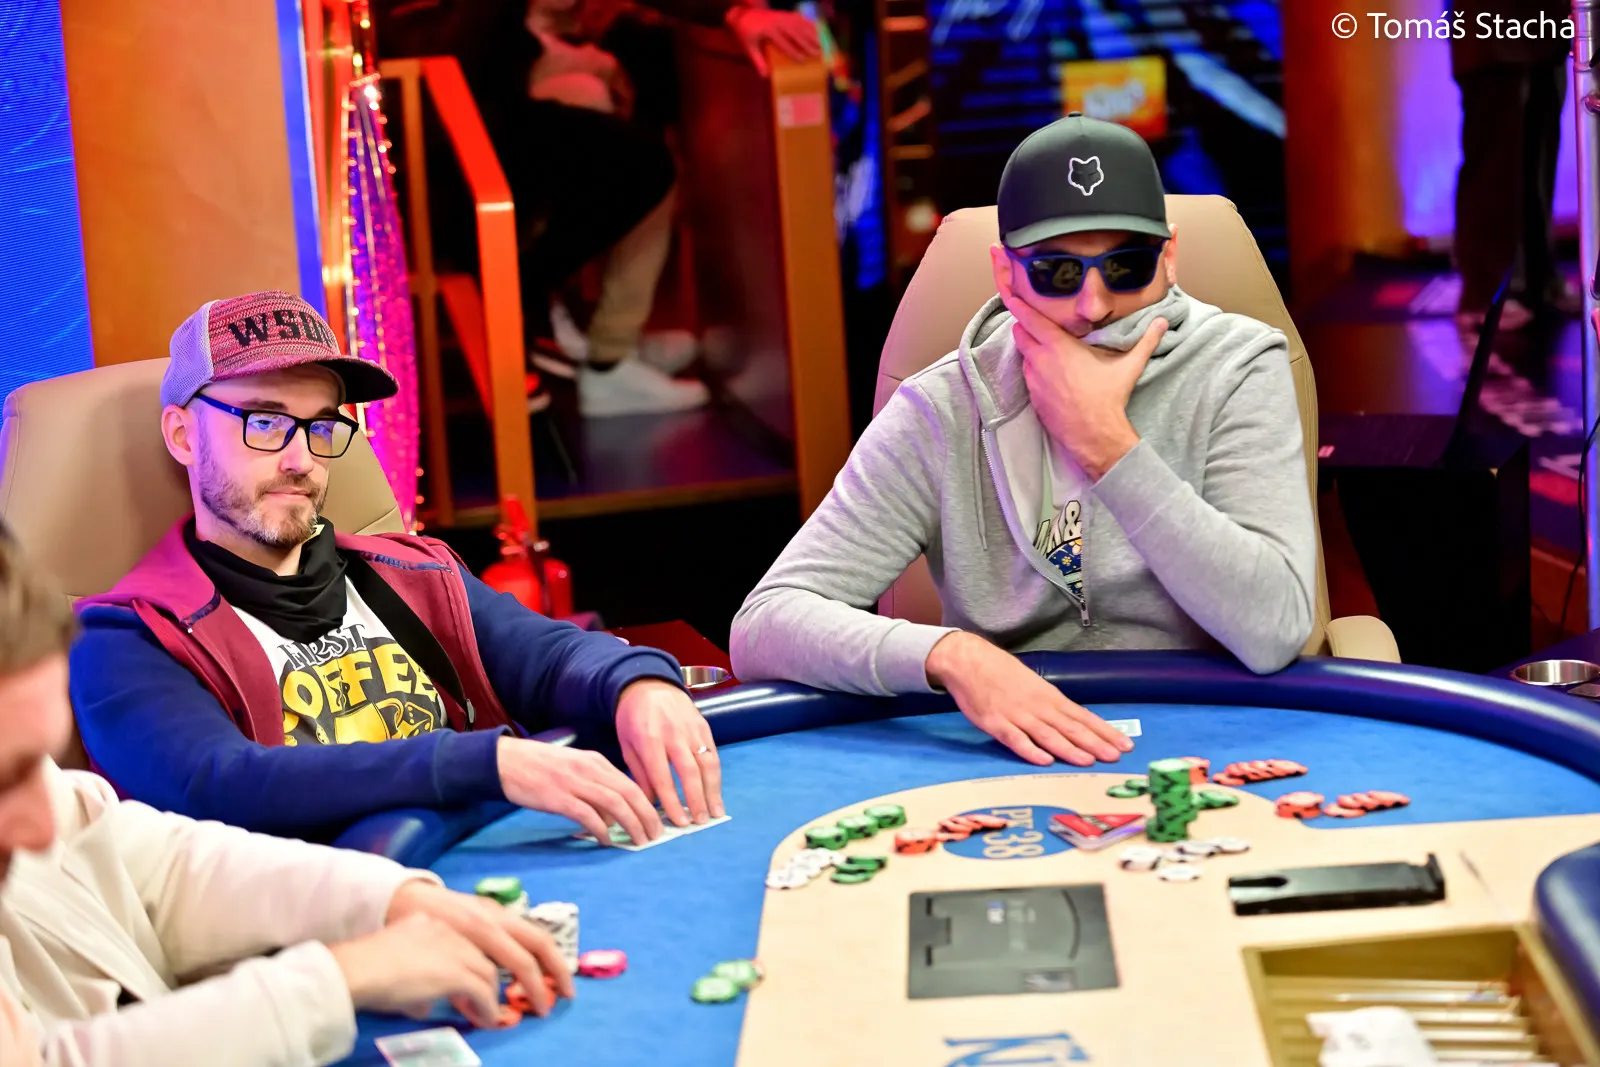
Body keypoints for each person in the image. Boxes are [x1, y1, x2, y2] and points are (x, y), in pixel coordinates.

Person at [730, 114, 1318, 767]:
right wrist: (949, 654)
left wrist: (1106, 444)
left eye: (1126, 266)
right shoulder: (943, 403)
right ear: (1005, 272)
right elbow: (765, 624)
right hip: (1007, 749)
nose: (1094, 305)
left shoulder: (1238, 366)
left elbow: (1274, 630)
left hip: (1216, 735)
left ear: (1169, 256)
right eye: (1057, 272)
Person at [68, 291, 723, 849]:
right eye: (264, 422)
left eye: (320, 426)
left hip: (489, 876)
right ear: (182, 435)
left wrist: (640, 684)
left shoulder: (414, 570)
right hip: (329, 937)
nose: (300, 459)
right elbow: (222, 784)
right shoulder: (124, 637)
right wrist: (485, 762)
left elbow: (550, 657)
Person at [0, 528, 574, 1065]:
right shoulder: (125, 631)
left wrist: (388, 897)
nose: (43, 829)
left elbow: (154, 864)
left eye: (38, 767)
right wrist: (341, 977)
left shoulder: (406, 565)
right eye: (7, 781)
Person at [375, 0, 819, 417]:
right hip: (445, 121)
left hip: (448, 107)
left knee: (635, 155)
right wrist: (734, 13)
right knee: (639, 163)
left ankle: (583, 335)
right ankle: (556, 327)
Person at [1452, 1, 1580, 332]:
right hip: (1492, 25)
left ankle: (1540, 283)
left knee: (1539, 161)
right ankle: (1483, 294)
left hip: (1548, 25)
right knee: (1495, 161)